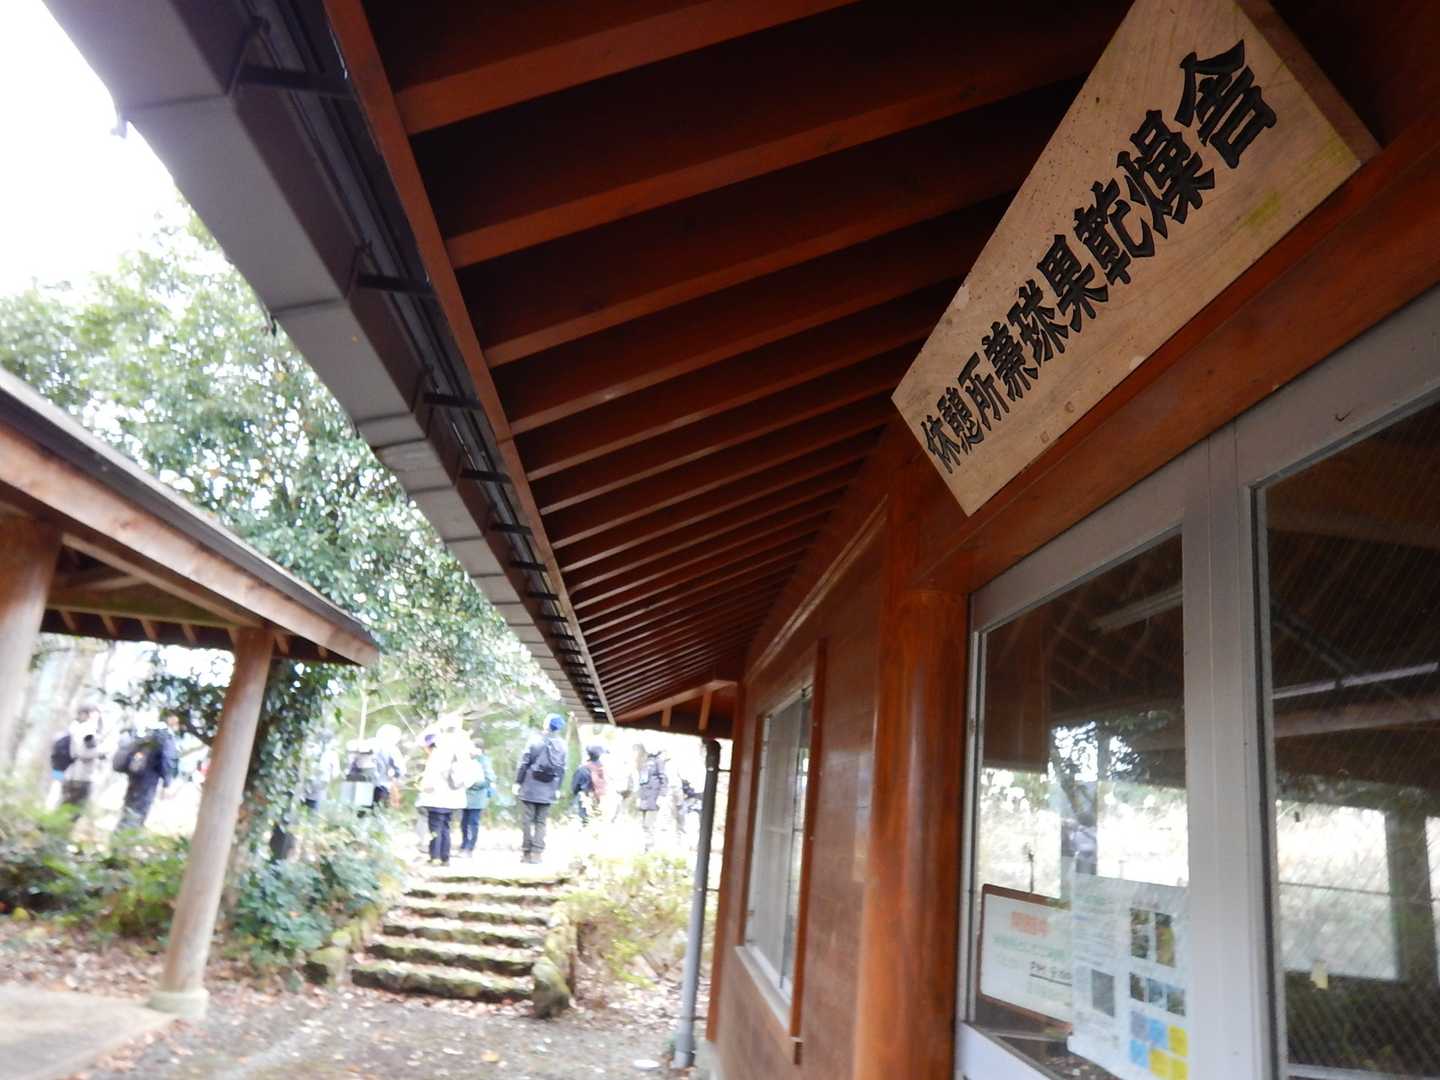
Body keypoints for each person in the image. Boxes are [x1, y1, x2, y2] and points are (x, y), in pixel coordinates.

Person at [418, 719, 474, 867]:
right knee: (446, 827)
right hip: (453, 797)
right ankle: (445, 857)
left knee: (435, 827)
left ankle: (435, 856)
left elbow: (430, 777)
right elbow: (469, 777)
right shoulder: (461, 750)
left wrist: (424, 789)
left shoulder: (439, 751)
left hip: (436, 796)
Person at [514, 714, 568, 864]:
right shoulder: (563, 745)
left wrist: (517, 782)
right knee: (541, 821)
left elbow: (524, 763)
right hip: (549, 787)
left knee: (527, 820)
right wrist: (558, 787)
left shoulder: (535, 741)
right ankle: (537, 854)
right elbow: (562, 769)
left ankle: (526, 853)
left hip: (530, 786)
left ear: (547, 724)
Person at [114, 714, 180, 831]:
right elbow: (167, 760)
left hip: (135, 773)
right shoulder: (166, 736)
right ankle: (126, 837)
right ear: (173, 723)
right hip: (149, 779)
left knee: (129, 806)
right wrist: (167, 783)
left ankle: (119, 834)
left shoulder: (148, 731)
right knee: (139, 810)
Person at [55, 704, 106, 811]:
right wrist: (100, 751)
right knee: (71, 809)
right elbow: (81, 752)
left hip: (77, 775)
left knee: (69, 807)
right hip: (78, 776)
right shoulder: (84, 728)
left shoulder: (83, 728)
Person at [460, 739, 497, 856]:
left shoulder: (484, 761)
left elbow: (490, 778)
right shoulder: (467, 759)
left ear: (478, 749)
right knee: (464, 822)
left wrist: (475, 785)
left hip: (477, 797)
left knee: (473, 822)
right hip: (465, 796)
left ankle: (469, 847)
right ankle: (464, 844)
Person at [636, 743, 669, 851]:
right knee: (643, 824)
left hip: (653, 797)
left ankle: (650, 847)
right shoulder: (645, 761)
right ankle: (645, 846)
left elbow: (663, 779)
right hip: (644, 797)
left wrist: (661, 796)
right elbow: (641, 781)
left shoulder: (659, 762)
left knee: (649, 823)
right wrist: (639, 796)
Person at [569, 745, 606, 827]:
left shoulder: (583, 769)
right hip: (600, 799)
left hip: (585, 800)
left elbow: (574, 788)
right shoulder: (603, 768)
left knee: (581, 821)